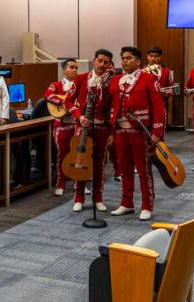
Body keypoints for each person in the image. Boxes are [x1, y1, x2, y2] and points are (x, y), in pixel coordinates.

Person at [109, 46, 165, 221]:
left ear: (138, 61)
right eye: (123, 58)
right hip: (120, 131)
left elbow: (158, 107)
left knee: (143, 170)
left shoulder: (149, 79)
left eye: (128, 58)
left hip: (141, 132)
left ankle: (147, 205)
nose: (124, 61)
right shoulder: (115, 80)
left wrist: (157, 131)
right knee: (124, 169)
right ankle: (127, 203)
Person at [66, 49, 114, 213]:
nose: (102, 64)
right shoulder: (80, 79)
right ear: (94, 61)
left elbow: (112, 108)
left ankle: (98, 198)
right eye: (100, 61)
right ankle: (78, 198)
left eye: (106, 62)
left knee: (99, 165)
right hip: (83, 127)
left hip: (101, 129)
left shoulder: (110, 82)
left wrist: (111, 132)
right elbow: (68, 102)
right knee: (80, 162)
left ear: (109, 65)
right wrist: (79, 116)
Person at [45, 58, 79, 196]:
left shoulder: (80, 86)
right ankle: (61, 183)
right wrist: (64, 102)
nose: (75, 70)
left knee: (78, 156)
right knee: (61, 156)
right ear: (64, 70)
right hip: (62, 125)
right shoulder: (56, 85)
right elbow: (48, 96)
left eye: (76, 68)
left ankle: (80, 183)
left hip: (76, 125)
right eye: (71, 67)